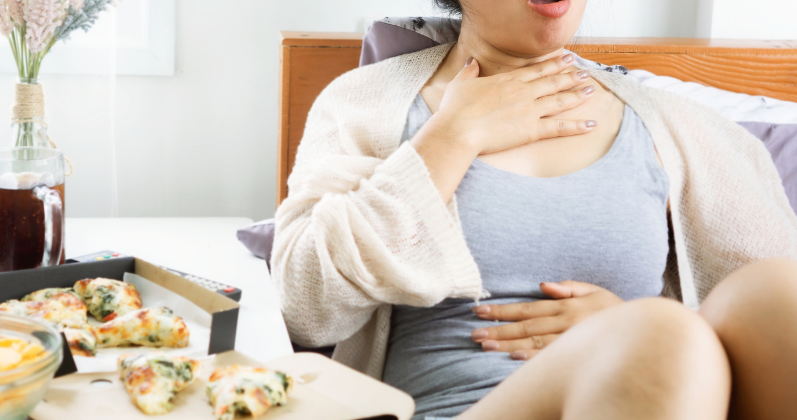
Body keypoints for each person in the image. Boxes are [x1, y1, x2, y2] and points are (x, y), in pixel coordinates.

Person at [270, 1, 797, 419]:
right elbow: (304, 308)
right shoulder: (366, 105)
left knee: (778, 296)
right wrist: (453, 136)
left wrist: (623, 329)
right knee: (659, 337)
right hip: (452, 407)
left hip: (650, 394)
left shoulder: (684, 131)